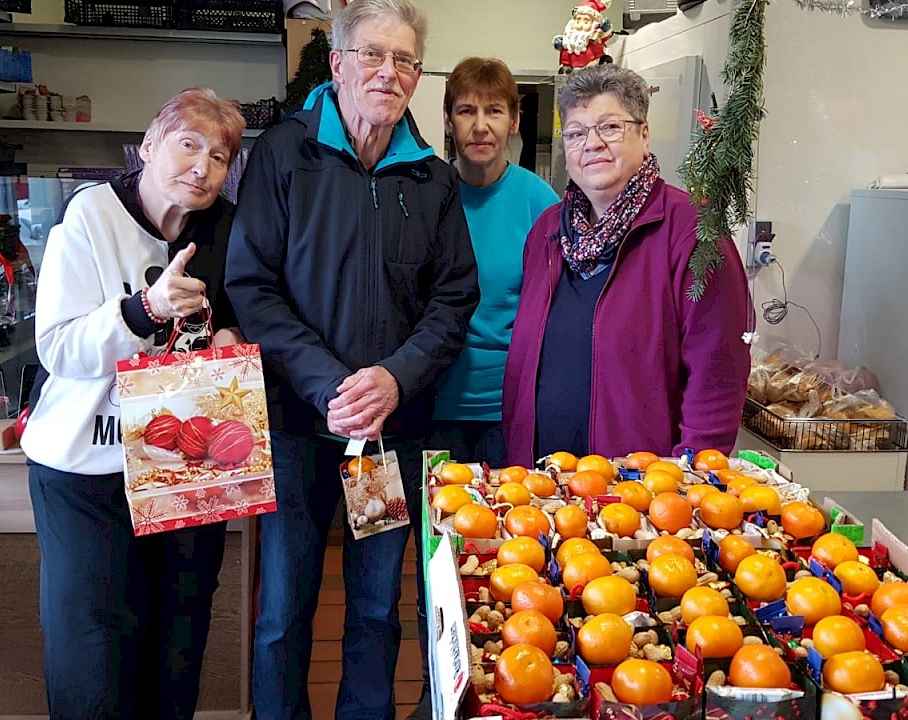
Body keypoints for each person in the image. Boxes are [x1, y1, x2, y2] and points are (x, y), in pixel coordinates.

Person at [224, 0, 479, 717]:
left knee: (374, 609)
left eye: (404, 60)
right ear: (337, 63)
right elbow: (253, 285)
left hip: (384, 444)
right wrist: (330, 383)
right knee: (283, 612)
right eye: (372, 54)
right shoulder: (284, 154)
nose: (388, 72)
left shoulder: (431, 178)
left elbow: (453, 299)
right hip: (299, 430)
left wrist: (395, 378)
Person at [20, 87, 246, 720]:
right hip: (86, 472)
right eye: (188, 145)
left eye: (221, 156)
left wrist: (229, 336)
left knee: (178, 641)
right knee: (92, 649)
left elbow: (237, 317)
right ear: (149, 144)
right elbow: (58, 347)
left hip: (181, 471)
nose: (202, 167)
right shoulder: (89, 217)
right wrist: (144, 309)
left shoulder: (228, 230)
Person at [503, 64, 750, 466]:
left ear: (645, 134)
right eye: (577, 132)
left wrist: (691, 476)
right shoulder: (547, 231)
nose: (592, 144)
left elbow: (718, 372)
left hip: (641, 493)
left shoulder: (692, 231)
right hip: (541, 483)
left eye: (610, 127)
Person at [432, 57, 559, 468]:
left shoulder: (541, 204)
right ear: (449, 122)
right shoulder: (426, 195)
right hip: (431, 405)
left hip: (509, 409)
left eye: (495, 111)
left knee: (506, 528)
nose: (481, 126)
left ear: (514, 121)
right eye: (466, 111)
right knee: (440, 528)